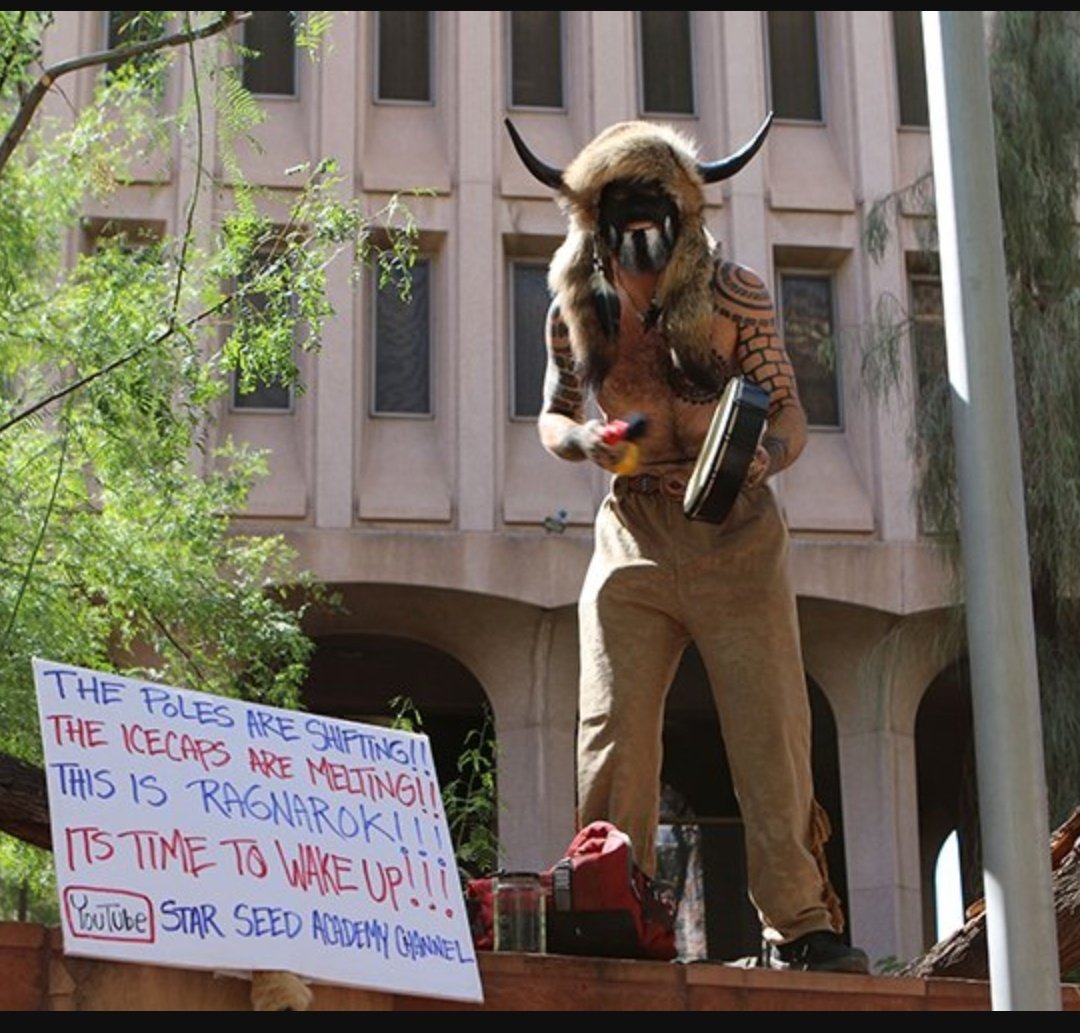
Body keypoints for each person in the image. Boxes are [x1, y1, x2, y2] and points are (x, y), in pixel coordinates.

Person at [505, 114, 870, 974]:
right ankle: (607, 907)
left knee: (770, 721)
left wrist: (760, 463)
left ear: (684, 224)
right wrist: (585, 444)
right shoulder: (576, 311)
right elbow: (553, 416)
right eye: (621, 227)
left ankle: (799, 922)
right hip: (630, 530)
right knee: (612, 726)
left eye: (656, 226)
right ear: (595, 227)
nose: (641, 251)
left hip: (736, 535)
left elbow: (789, 415)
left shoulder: (736, 294)